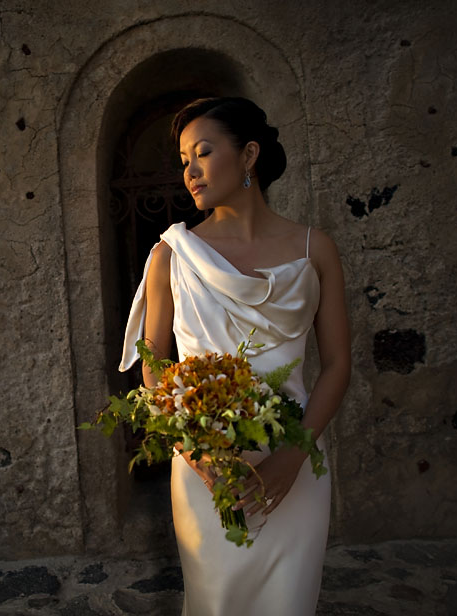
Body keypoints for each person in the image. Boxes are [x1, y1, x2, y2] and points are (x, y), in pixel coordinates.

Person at [118, 97, 351, 615]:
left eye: (202, 152)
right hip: (207, 474)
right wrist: (198, 456)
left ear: (248, 155)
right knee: (216, 602)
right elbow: (153, 365)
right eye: (183, 160)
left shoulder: (316, 251)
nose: (190, 171)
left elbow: (337, 366)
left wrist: (292, 460)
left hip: (296, 465)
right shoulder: (171, 256)